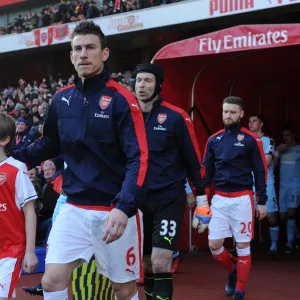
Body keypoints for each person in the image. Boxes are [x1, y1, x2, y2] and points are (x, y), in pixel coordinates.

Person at [12, 20, 148, 300]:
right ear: (71, 56)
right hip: (73, 208)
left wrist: (123, 207)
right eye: (77, 49)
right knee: (51, 282)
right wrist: (12, 160)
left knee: (123, 290)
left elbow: (139, 157)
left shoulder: (122, 99)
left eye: (90, 48)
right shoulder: (61, 100)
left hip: (112, 210)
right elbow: (49, 144)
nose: (83, 54)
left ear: (104, 53)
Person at [134, 63, 208, 300]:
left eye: (147, 80)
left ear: (158, 85)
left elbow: (193, 160)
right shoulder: (126, 115)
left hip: (169, 198)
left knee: (161, 261)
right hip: (136, 200)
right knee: (146, 264)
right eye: (138, 80)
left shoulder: (176, 117)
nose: (142, 85)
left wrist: (203, 199)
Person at [196, 96, 268, 300]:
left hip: (242, 199)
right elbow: (207, 174)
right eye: (225, 111)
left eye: (232, 112)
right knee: (214, 245)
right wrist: (202, 202)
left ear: (241, 114)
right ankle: (233, 271)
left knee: (243, 245)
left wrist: (261, 201)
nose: (228, 115)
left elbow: (260, 171)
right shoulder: (214, 140)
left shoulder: (250, 139)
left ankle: (240, 290)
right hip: (219, 199)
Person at [23, 163, 115, 299]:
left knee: (116, 284)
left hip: (100, 196)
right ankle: (51, 281)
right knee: (56, 249)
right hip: (69, 195)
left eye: (49, 170)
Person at [0, 113, 39, 299]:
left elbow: (29, 211)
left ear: (4, 140)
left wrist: (30, 252)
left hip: (10, 250)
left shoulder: (16, 168)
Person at [249, 114, 279, 259]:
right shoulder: (247, 139)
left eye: (254, 121)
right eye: (249, 121)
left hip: (266, 183)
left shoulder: (268, 140)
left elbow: (267, 162)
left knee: (271, 217)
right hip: (249, 183)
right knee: (246, 216)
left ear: (261, 124)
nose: (250, 123)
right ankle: (244, 249)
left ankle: (274, 247)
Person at [274, 128, 300, 255]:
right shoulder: (281, 149)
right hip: (283, 187)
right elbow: (273, 166)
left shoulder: (298, 149)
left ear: (293, 135)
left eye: (288, 135)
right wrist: (277, 152)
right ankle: (297, 235)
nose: (286, 138)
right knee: (283, 216)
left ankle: (289, 244)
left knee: (291, 214)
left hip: (295, 186)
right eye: (284, 135)